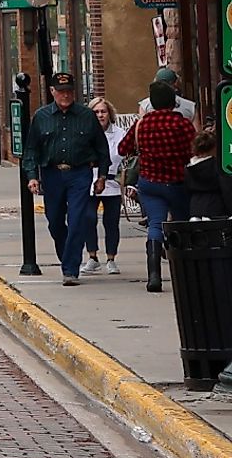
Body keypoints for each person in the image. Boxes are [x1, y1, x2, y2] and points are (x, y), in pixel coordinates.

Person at [26, 71, 109, 285]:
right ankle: (67, 257)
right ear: (52, 91)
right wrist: (32, 176)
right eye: (61, 91)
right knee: (55, 221)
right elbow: (31, 150)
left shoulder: (86, 116)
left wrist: (101, 176)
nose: (66, 95)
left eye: (69, 91)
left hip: (79, 173)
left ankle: (70, 269)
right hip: (52, 174)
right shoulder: (41, 117)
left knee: (77, 219)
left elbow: (101, 148)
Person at [121, 83, 199, 292]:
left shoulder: (141, 125)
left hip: (150, 182)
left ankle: (154, 275)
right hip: (177, 181)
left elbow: (123, 148)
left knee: (155, 224)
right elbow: (194, 149)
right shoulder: (181, 124)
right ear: (173, 102)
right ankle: (185, 273)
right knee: (182, 223)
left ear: (152, 103)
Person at [89, 96, 129, 275]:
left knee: (111, 222)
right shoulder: (86, 133)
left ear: (109, 113)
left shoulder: (120, 133)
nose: (100, 115)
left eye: (103, 111)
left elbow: (122, 156)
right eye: (96, 112)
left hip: (112, 182)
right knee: (88, 219)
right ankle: (92, 257)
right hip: (89, 182)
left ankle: (111, 258)